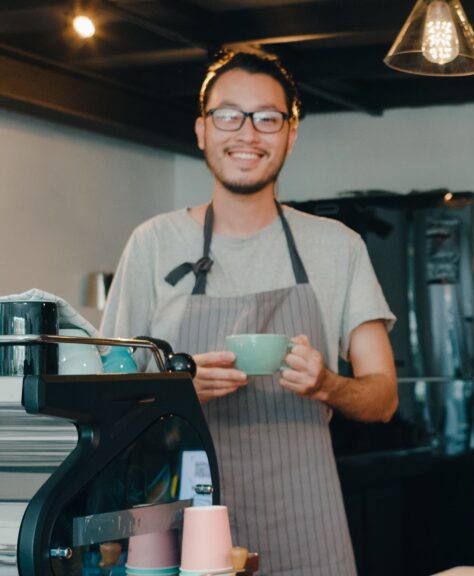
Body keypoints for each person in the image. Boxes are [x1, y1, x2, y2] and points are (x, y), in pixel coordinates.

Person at [100, 49, 397, 576]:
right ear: (202, 130)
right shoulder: (153, 243)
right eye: (228, 116)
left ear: (290, 133)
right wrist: (178, 386)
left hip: (309, 519)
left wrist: (327, 383)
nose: (248, 133)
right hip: (182, 519)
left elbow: (383, 398)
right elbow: (105, 393)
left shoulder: (338, 247)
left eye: (267, 118)